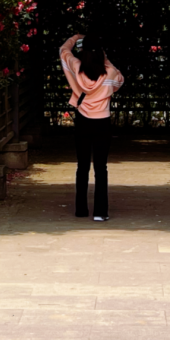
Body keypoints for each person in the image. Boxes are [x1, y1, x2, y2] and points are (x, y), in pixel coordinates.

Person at [59, 32, 124, 221]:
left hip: (83, 121)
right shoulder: (109, 73)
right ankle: (100, 212)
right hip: (102, 122)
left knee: (82, 166)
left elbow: (63, 50)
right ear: (100, 53)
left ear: (83, 51)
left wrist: (74, 37)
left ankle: (81, 209)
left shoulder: (76, 67)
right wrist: (106, 59)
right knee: (101, 168)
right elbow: (120, 80)